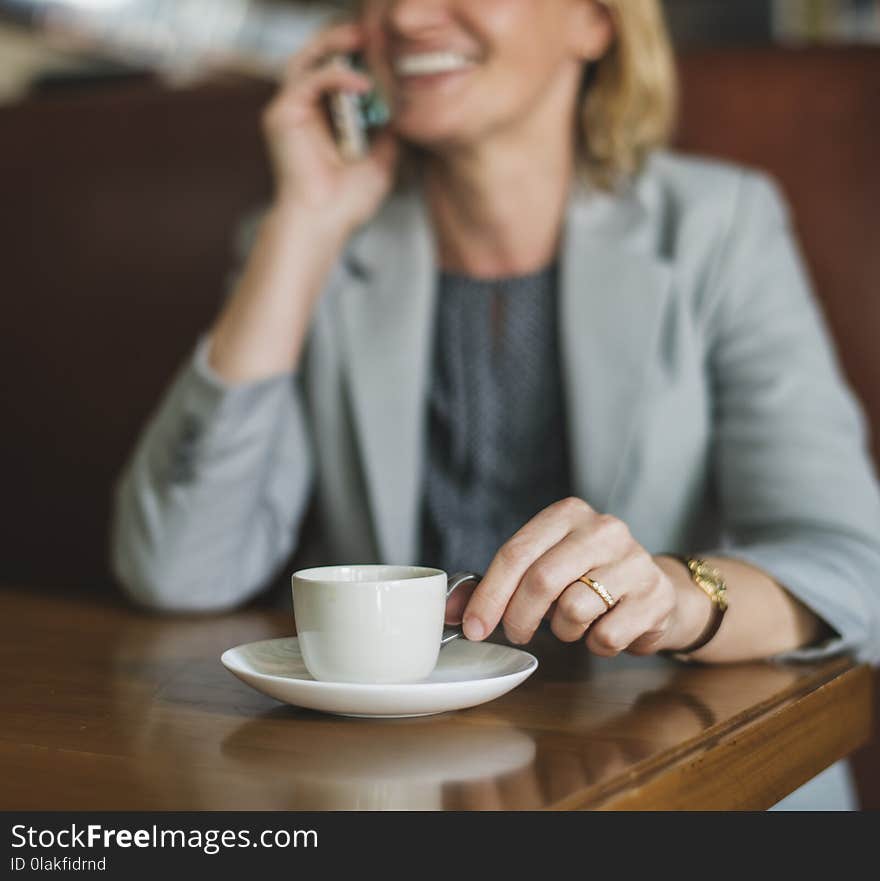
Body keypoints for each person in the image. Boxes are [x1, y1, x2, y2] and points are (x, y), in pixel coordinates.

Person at [111, 0, 880, 808]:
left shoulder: (720, 226)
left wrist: (676, 594)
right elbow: (177, 568)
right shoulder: (319, 244)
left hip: (676, 773)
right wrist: (303, 222)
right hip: (402, 782)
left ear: (596, 22)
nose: (406, 17)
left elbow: (852, 567)